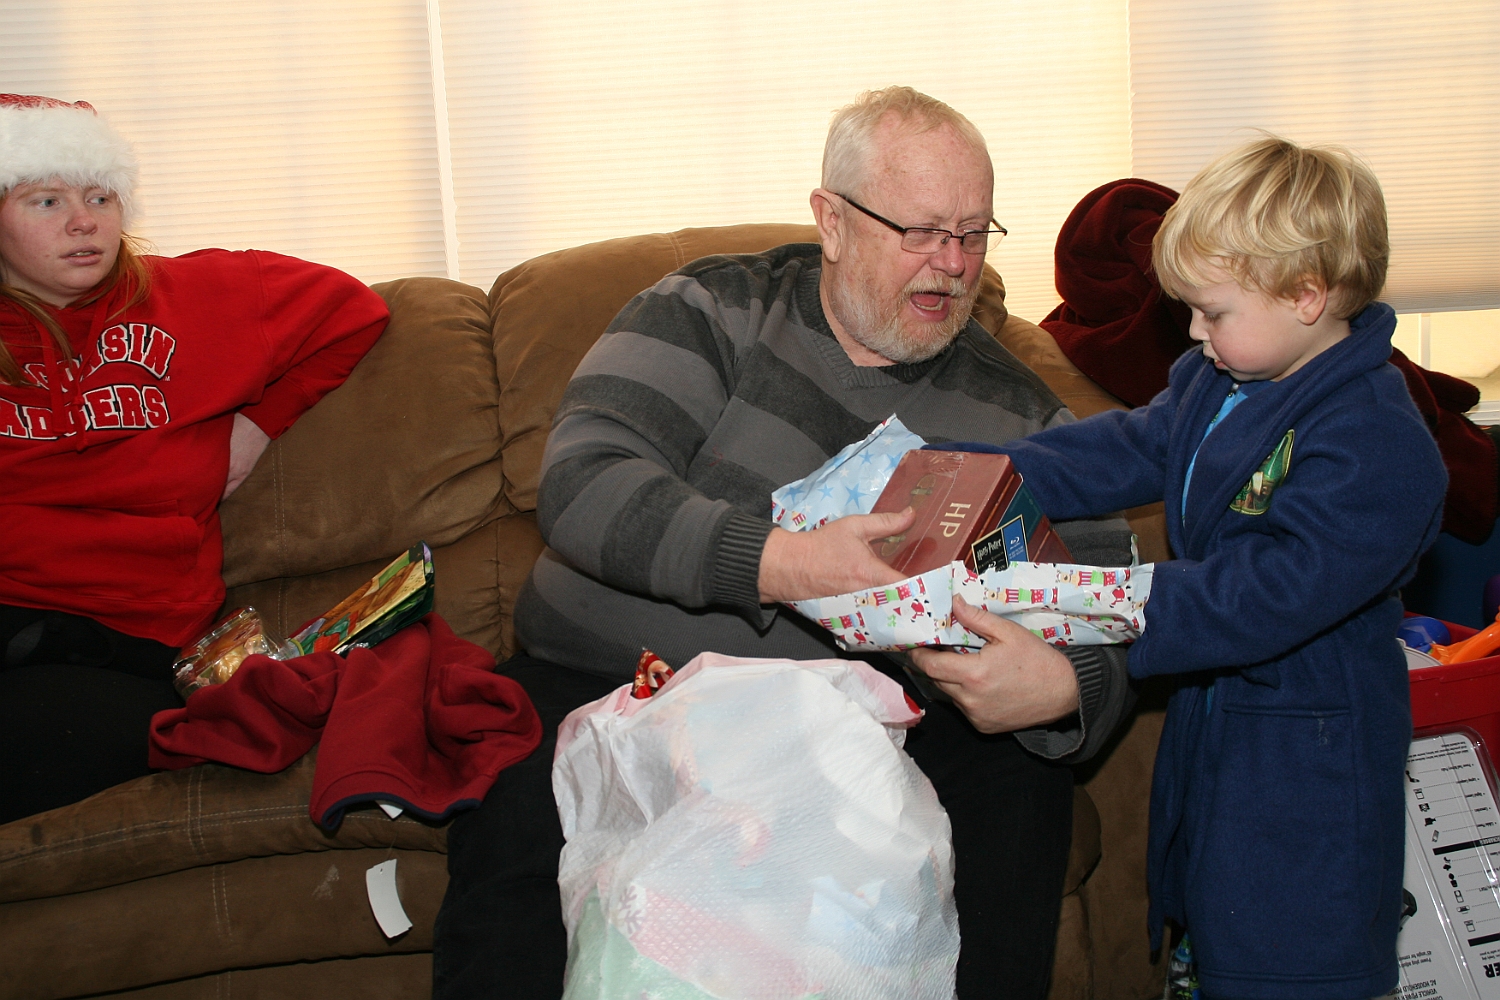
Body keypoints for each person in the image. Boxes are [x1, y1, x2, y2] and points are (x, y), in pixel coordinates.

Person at [434, 86, 1136, 999]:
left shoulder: (1021, 412)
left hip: (863, 726)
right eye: (922, 232)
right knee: (519, 815)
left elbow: (1116, 602)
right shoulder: (711, 308)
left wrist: (1068, 688)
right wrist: (787, 564)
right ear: (832, 222)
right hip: (620, 682)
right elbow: (585, 481)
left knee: (1017, 782)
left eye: (973, 234)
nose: (953, 265)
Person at [914, 136, 1446, 999]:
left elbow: (1271, 588)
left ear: (1307, 296)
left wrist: (1113, 599)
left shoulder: (1377, 439)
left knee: (1289, 956)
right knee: (1211, 925)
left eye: (1213, 311)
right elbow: (1126, 447)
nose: (1194, 332)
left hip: (1311, 758)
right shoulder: (1221, 378)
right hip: (1219, 720)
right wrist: (974, 474)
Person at [0, 94, 389, 824]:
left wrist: (256, 426)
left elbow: (351, 310)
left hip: (132, 638)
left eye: (100, 197)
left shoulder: (200, 298)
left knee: (38, 741)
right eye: (46, 201)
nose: (84, 222)